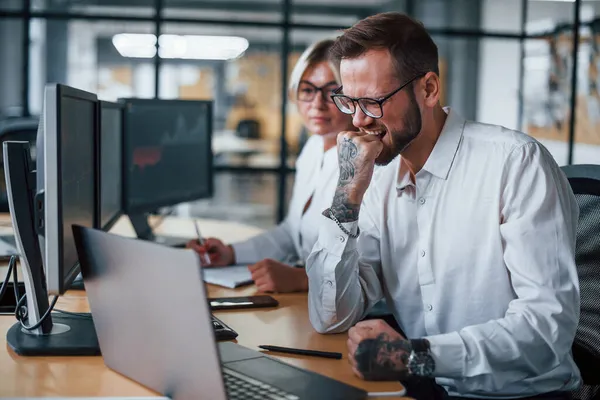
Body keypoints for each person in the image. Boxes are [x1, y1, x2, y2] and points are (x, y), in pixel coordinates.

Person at [305, 12, 581, 400]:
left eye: (371, 101)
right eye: (349, 101)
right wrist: (346, 193)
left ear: (429, 89)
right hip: (425, 387)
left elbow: (545, 329)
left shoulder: (516, 163)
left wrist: (415, 357)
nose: (358, 120)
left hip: (522, 395)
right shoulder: (377, 176)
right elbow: (330, 316)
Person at [188, 38, 355, 293]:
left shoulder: (368, 163)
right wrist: (231, 253)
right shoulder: (312, 149)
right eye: (307, 90)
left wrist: (303, 279)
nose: (317, 103)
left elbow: (370, 267)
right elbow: (291, 233)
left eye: (332, 91)